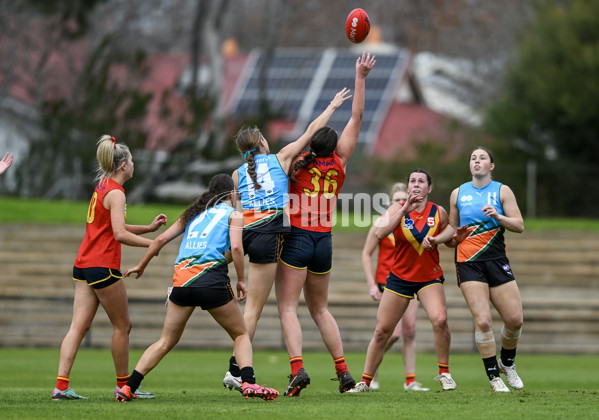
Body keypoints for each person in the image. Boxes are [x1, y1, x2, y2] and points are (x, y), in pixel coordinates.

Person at [222, 86, 352, 392]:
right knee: (255, 309)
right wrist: (332, 106)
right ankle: (236, 370)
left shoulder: (238, 174)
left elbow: (237, 214)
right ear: (263, 143)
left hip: (249, 235)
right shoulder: (281, 157)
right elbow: (312, 131)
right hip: (275, 235)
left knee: (258, 307)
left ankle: (235, 369)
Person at [116, 174, 278, 402]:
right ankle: (249, 383)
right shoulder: (233, 214)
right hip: (211, 281)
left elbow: (160, 240)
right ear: (231, 194)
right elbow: (236, 248)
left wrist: (141, 265)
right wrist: (241, 280)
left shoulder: (192, 213)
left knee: (164, 341)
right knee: (241, 333)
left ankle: (128, 387)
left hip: (181, 283)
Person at [275, 52, 376, 396]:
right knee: (320, 309)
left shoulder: (294, 165)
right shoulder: (340, 162)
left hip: (298, 239)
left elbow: (306, 137)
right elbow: (358, 117)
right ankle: (344, 372)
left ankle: (297, 369)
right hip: (324, 242)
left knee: (288, 307)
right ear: (333, 147)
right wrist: (360, 77)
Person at [53, 135, 167, 400]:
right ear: (123, 165)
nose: (134, 164)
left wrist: (148, 228)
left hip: (83, 264)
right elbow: (119, 234)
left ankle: (60, 387)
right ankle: (123, 386)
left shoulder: (103, 186)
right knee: (123, 326)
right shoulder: (116, 192)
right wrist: (152, 243)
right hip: (102, 266)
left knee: (77, 328)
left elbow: (112, 227)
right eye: (132, 160)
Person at [349, 169, 457, 393]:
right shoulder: (396, 209)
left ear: (429, 188)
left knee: (440, 320)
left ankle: (444, 373)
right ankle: (365, 382)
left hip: (429, 277)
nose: (416, 185)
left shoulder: (438, 211)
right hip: (399, 278)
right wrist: (403, 210)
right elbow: (380, 233)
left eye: (421, 182)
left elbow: (451, 235)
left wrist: (438, 239)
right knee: (382, 332)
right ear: (408, 187)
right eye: (412, 181)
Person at [427, 146, 525, 392]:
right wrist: (438, 239)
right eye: (473, 158)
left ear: (491, 166)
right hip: (468, 262)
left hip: (496, 259)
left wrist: (499, 217)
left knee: (514, 320)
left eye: (482, 158)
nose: (476, 161)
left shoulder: (502, 191)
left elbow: (519, 225)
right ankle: (494, 377)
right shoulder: (458, 193)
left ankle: (507, 364)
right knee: (482, 321)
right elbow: (453, 229)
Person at [361, 182, 428, 392]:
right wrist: (372, 284)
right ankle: (374, 366)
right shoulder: (382, 223)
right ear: (390, 203)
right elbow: (366, 254)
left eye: (403, 199)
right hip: (387, 283)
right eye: (396, 199)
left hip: (411, 280)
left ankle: (410, 380)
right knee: (393, 333)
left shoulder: (413, 224)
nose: (401, 202)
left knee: (409, 331)